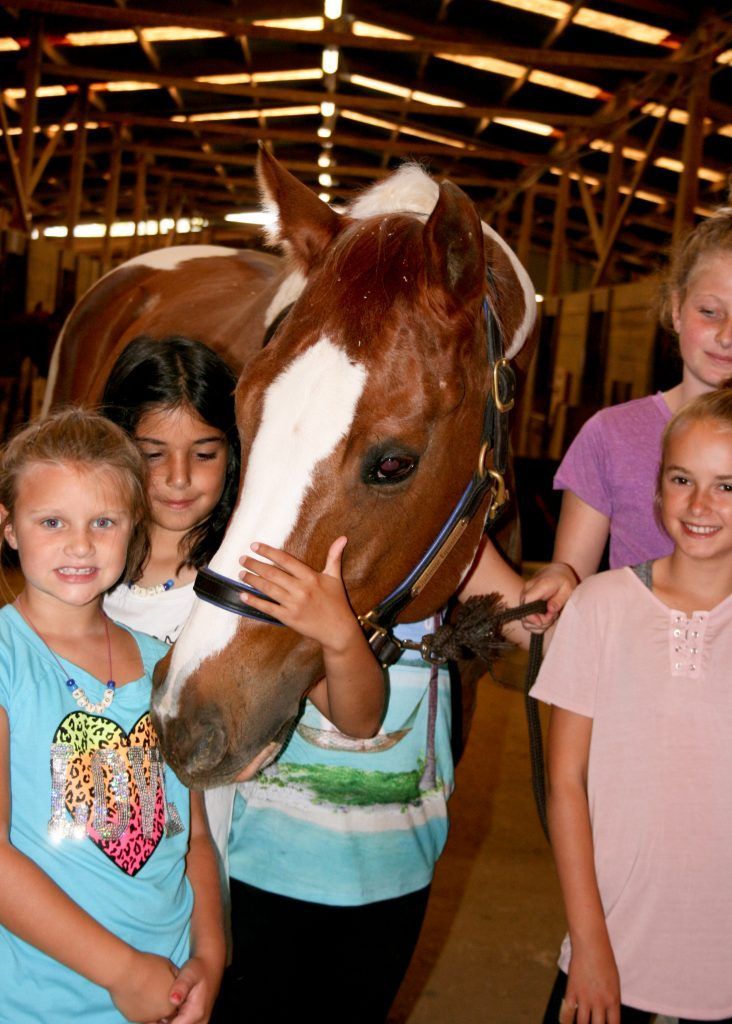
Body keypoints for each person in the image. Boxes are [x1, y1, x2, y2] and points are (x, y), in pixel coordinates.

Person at [0, 408, 225, 1024]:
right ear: (9, 527)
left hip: (172, 989)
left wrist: (210, 955)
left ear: (134, 530)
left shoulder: (165, 666)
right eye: (52, 521)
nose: (80, 544)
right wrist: (123, 972)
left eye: (103, 521)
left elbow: (196, 837)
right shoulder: (5, 657)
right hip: (46, 1003)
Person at [530, 386, 732, 1024]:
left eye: (728, 485)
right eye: (682, 479)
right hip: (610, 955)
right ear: (655, 490)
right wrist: (589, 943)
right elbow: (564, 783)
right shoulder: (602, 607)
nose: (701, 505)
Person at [524, 202, 732, 604]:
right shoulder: (611, 434)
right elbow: (570, 588)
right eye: (710, 312)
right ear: (676, 309)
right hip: (630, 654)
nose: (726, 336)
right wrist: (557, 581)